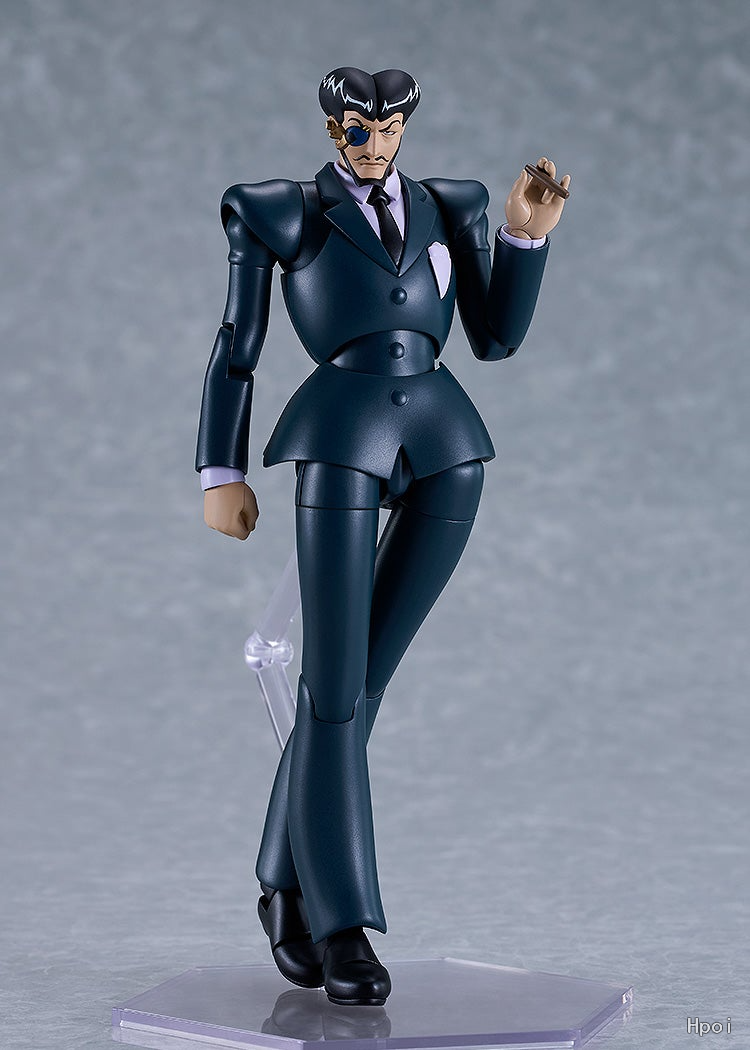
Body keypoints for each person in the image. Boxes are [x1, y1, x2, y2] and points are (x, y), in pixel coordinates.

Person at [196, 66, 569, 1006]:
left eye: (390, 126)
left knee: (360, 688)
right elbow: (237, 345)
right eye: (358, 127)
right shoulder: (282, 212)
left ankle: (283, 882)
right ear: (334, 128)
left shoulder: (451, 204)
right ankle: (342, 923)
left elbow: (494, 338)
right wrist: (219, 472)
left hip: (444, 440)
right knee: (332, 690)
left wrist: (524, 237)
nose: (375, 142)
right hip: (340, 437)